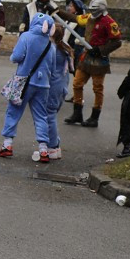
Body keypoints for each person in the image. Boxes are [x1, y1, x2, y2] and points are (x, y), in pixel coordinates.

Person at [0, 12, 57, 160]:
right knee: (41, 116)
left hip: (24, 82)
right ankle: (43, 149)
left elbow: (16, 57)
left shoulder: (26, 37)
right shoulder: (51, 45)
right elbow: (53, 70)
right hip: (43, 85)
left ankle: (7, 144)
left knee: (14, 111)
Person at [63, 0, 121, 128]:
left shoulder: (109, 22)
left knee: (97, 88)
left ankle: (94, 118)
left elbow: (117, 42)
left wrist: (101, 50)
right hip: (86, 57)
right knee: (77, 83)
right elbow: (75, 18)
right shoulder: (89, 18)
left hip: (100, 60)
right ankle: (77, 114)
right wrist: (56, 11)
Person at [43, 24, 72, 161]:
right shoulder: (65, 48)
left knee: (49, 116)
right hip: (62, 86)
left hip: (54, 87)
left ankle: (52, 146)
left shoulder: (53, 49)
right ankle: (56, 145)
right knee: (51, 115)